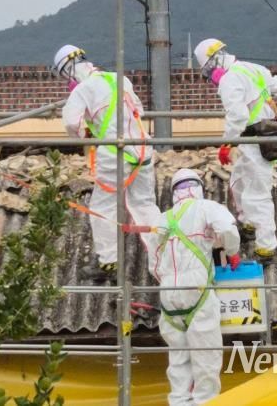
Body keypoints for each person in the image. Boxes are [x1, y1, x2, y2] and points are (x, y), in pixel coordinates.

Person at [193, 38, 277, 264]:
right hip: (259, 137)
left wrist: (227, 143)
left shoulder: (229, 80)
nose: (210, 78)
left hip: (254, 140)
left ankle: (266, 248)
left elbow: (237, 116)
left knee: (257, 196)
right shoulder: (250, 68)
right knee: (238, 182)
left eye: (208, 71)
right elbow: (276, 83)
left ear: (212, 64)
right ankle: (248, 224)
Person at [55, 44, 160, 281]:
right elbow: (139, 111)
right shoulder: (119, 78)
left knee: (102, 207)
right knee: (144, 205)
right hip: (142, 150)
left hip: (115, 154)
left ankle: (109, 262)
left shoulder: (82, 90)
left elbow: (72, 123)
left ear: (68, 69)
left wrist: (85, 134)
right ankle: (164, 252)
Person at [148, 168, 241, 406]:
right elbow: (227, 228)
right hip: (197, 288)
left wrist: (168, 280)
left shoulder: (162, 219)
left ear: (174, 193)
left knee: (179, 358)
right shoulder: (206, 207)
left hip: (169, 292)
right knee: (206, 355)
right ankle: (205, 402)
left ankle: (179, 401)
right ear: (198, 188)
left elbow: (153, 263)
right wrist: (232, 250)